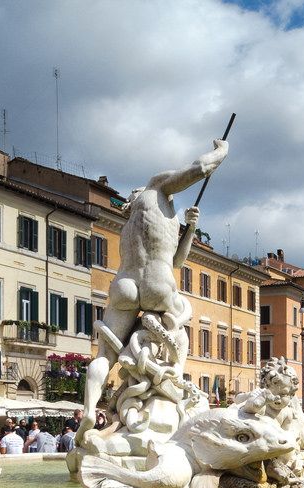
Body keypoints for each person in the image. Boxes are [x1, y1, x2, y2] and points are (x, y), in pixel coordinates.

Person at [76, 138, 229, 446]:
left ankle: (90, 410)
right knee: (181, 322)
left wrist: (189, 229)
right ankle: (175, 378)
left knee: (105, 354)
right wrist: (221, 151)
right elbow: (200, 168)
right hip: (159, 283)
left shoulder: (130, 225)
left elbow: (178, 258)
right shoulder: (155, 187)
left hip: (125, 284)